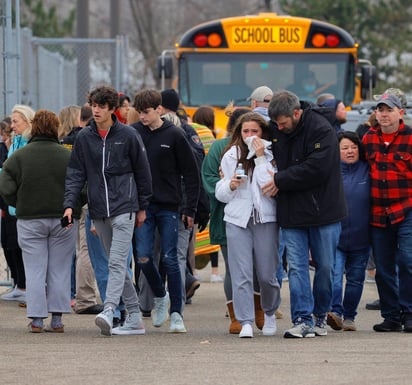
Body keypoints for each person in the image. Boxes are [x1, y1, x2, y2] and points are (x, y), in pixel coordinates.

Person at [63, 85, 153, 336]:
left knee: (116, 261)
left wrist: (143, 207)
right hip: (98, 210)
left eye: (102, 106)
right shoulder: (84, 137)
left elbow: (143, 173)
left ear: (112, 109)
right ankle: (134, 316)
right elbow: (75, 174)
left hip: (125, 207)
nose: (97, 110)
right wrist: (69, 205)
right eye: (94, 105)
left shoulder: (128, 135)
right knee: (117, 266)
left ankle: (110, 308)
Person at [266, 90, 346, 338]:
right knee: (297, 268)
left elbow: (317, 168)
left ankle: (320, 315)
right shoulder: (276, 129)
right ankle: (302, 318)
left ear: (297, 113)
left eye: (283, 123)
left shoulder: (322, 129)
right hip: (291, 211)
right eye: (276, 124)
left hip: (324, 211)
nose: (279, 127)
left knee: (325, 267)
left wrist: (281, 179)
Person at [0, 109, 81, 332]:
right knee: (60, 268)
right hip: (63, 219)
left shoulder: (19, 157)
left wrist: (20, 202)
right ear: (55, 129)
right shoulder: (67, 155)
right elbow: (82, 187)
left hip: (30, 219)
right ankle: (57, 319)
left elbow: (5, 187)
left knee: (34, 269)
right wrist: (71, 207)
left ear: (34, 128)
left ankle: (36, 319)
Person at [132, 89, 200, 333]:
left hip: (170, 206)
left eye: (147, 112)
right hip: (143, 207)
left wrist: (189, 208)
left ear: (159, 109)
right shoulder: (135, 133)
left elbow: (191, 174)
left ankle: (177, 313)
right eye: (139, 112)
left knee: (171, 258)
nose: (142, 116)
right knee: (143, 256)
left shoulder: (175, 135)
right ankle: (160, 295)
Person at [215, 112, 281, 338]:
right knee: (240, 272)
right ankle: (245, 321)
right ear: (239, 133)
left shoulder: (272, 154)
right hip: (237, 219)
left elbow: (267, 186)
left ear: (263, 132)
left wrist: (261, 157)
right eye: (246, 132)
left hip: (265, 218)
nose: (250, 136)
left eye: (255, 131)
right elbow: (221, 193)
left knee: (266, 273)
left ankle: (270, 311)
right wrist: (231, 185)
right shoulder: (231, 155)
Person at [362, 93, 412, 333]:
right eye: (380, 110)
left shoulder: (410, 137)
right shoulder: (368, 138)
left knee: (408, 261)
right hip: (378, 212)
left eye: (388, 110)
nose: (383, 114)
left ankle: (410, 312)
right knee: (383, 268)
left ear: (400, 113)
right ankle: (391, 316)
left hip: (407, 208)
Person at [201, 105, 251, 334]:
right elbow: (209, 178)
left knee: (252, 268)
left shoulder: (261, 147)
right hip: (226, 215)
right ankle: (237, 316)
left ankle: (254, 310)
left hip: (256, 217)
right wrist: (226, 188)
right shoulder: (220, 147)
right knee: (233, 268)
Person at [60, 104, 104, 315]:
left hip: (68, 200)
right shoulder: (85, 139)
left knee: (71, 250)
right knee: (86, 250)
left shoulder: (60, 143)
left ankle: (69, 294)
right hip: (86, 198)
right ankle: (85, 298)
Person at [327, 131, 370, 332]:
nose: (350, 151)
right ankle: (335, 312)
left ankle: (350, 316)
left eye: (353, 147)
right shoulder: (330, 171)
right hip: (335, 237)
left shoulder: (367, 169)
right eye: (344, 148)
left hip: (362, 237)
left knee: (355, 279)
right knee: (334, 277)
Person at [0, 105, 35, 305]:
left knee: (26, 249)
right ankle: (21, 285)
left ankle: (28, 287)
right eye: (12, 121)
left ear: (27, 122)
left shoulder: (29, 142)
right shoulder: (15, 142)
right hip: (12, 203)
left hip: (26, 204)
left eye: (16, 121)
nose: (12, 125)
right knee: (13, 244)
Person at [191, 105, 222, 283]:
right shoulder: (212, 137)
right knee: (212, 230)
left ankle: (193, 270)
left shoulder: (189, 133)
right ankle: (215, 272)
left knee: (194, 232)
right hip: (210, 188)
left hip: (194, 188)